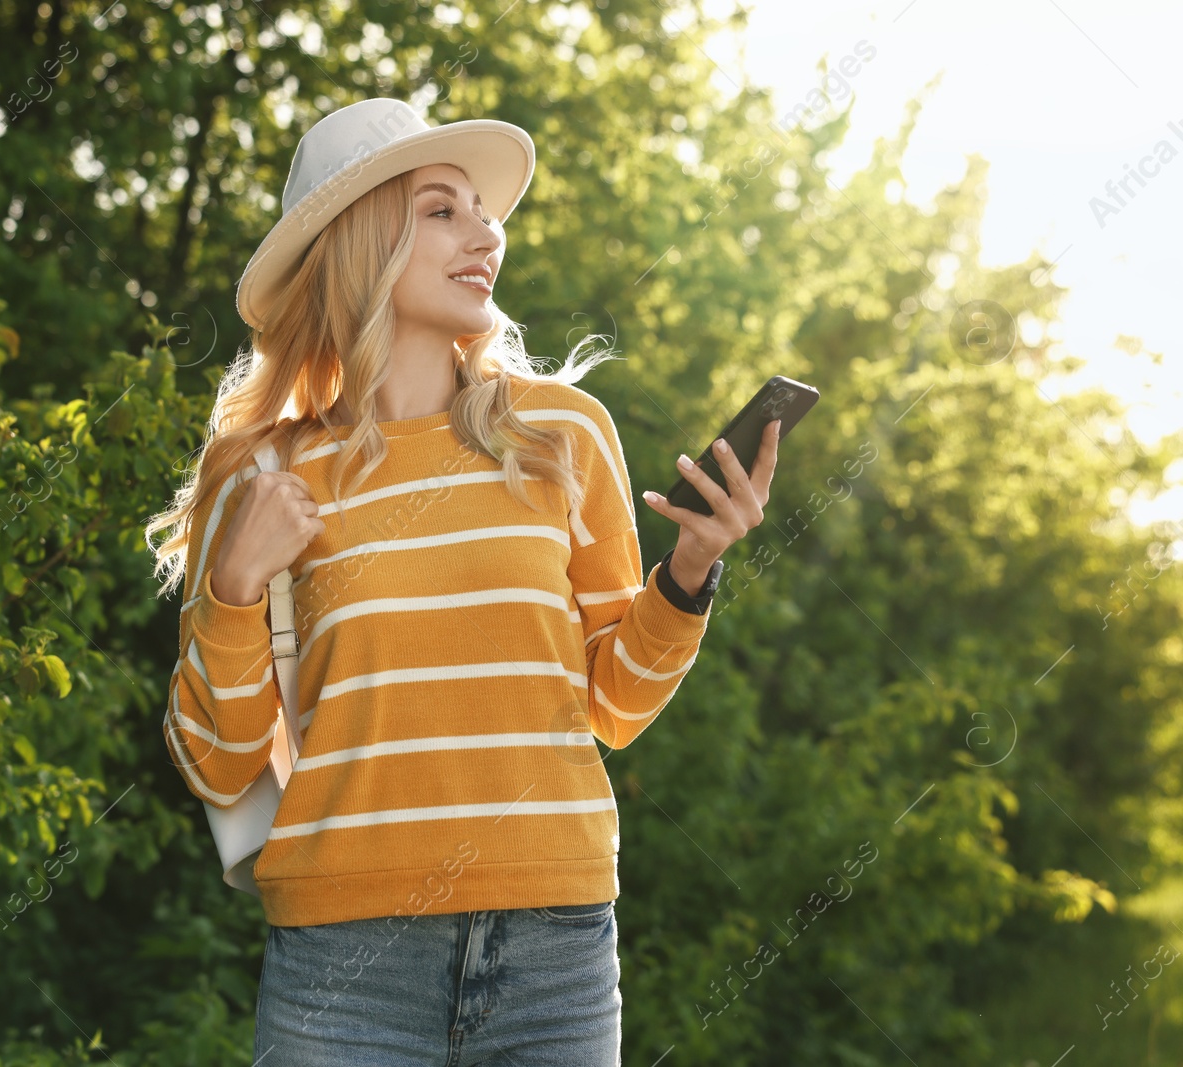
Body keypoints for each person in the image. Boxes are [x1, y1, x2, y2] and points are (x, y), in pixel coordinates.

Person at [144, 97, 780, 1066]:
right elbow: (215, 762)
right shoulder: (263, 475)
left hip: (555, 949)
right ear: (359, 241)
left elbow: (609, 701)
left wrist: (688, 573)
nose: (487, 232)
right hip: (343, 967)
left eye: (483, 210)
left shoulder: (562, 433)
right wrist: (233, 583)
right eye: (443, 209)